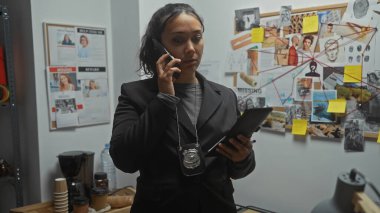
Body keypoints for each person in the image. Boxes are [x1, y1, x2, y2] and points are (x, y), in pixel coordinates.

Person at [109, 3, 255, 213]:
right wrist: (164, 98)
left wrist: (243, 158)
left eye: (196, 38)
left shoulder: (225, 97)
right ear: (158, 46)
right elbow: (124, 160)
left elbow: (238, 170)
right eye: (178, 40)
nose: (191, 48)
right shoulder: (135, 95)